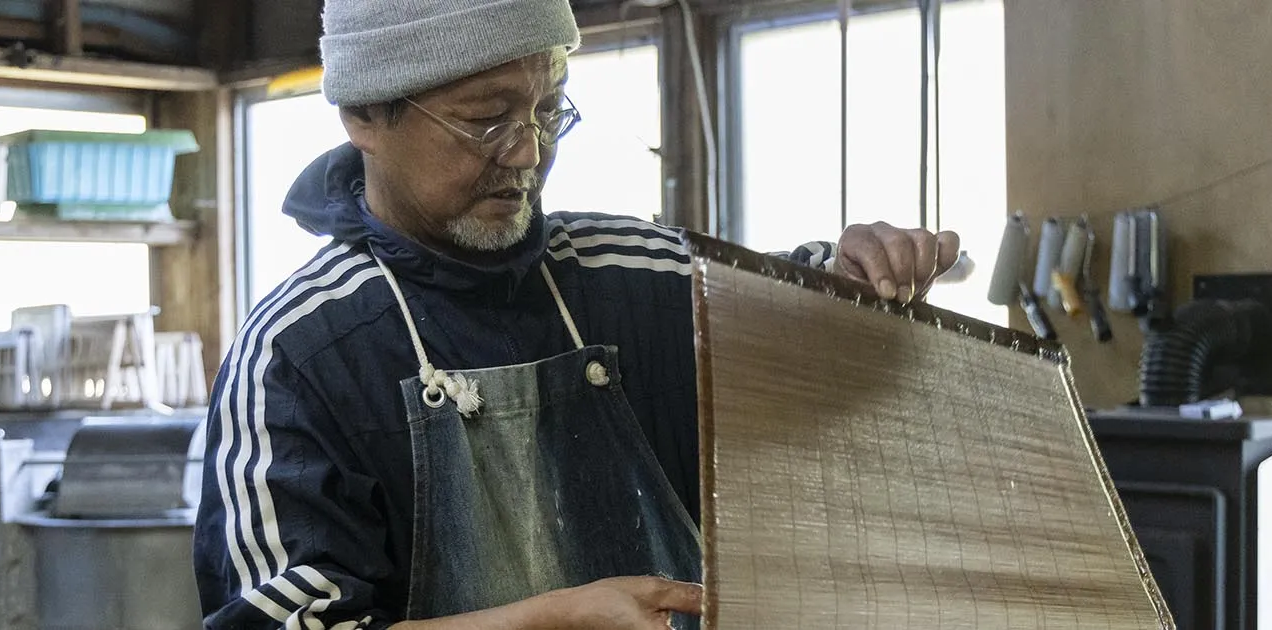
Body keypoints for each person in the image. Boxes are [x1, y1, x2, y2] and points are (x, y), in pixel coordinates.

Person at [192, 0, 961, 628]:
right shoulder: (295, 359)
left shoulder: (635, 273)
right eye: (487, 119)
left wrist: (852, 278)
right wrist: (546, 622)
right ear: (364, 114)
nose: (527, 152)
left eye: (549, 108)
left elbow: (796, 326)